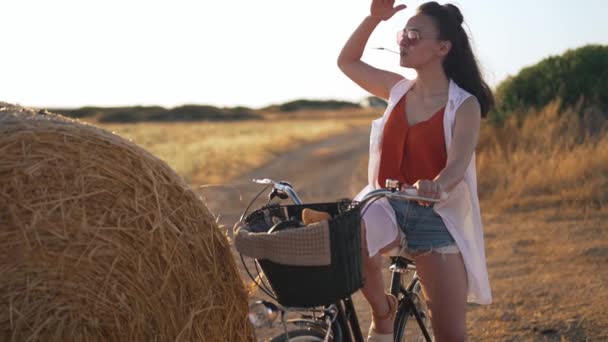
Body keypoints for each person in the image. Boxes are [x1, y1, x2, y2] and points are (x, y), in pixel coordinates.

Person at [337, 1, 494, 341]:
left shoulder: (464, 104)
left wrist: (437, 185)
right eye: (403, 33)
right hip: (385, 205)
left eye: (414, 34)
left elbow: (458, 162)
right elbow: (347, 62)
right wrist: (373, 19)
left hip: (434, 218)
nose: (403, 40)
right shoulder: (397, 90)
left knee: (450, 335)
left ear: (443, 48)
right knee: (351, 234)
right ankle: (384, 314)